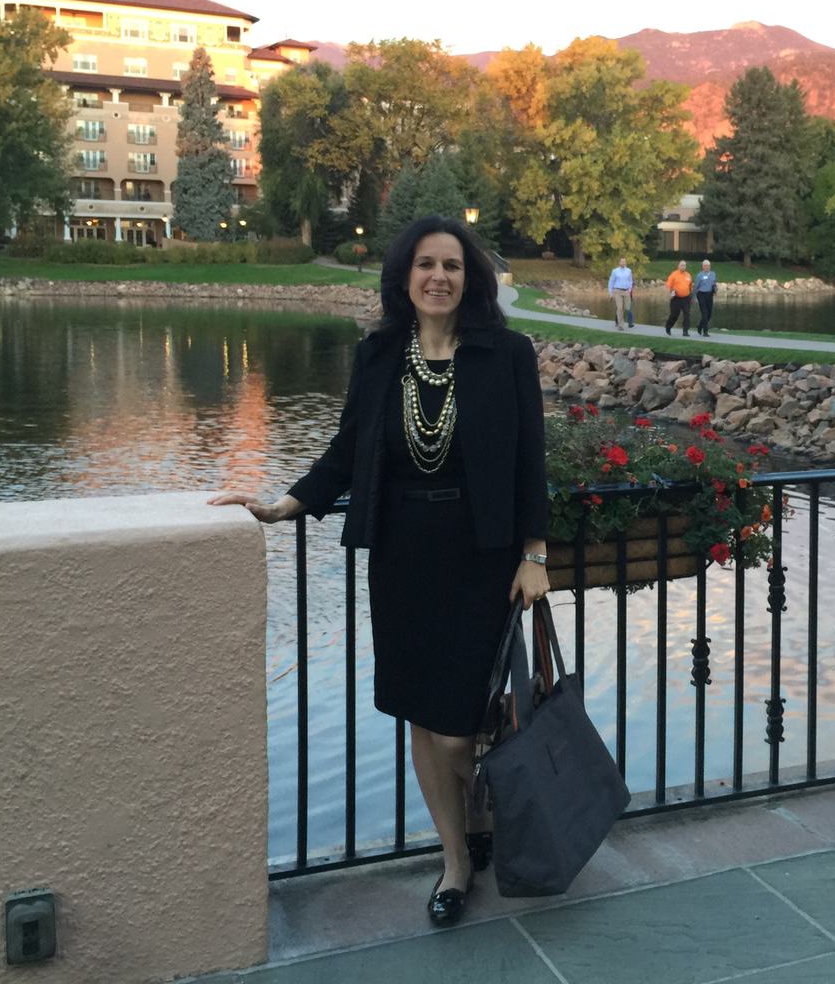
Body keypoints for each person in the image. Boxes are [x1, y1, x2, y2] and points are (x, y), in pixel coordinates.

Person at [209, 215, 549, 928]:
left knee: (459, 728)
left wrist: (534, 554)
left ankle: (481, 815)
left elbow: (529, 463)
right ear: (404, 276)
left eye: (452, 265)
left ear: (470, 278)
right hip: (402, 555)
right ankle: (456, 859)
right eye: (425, 264)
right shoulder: (378, 356)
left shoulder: (506, 353)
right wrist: (284, 505)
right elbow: (345, 450)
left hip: (480, 557)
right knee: (421, 718)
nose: (438, 277)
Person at [665, 259, 693, 336]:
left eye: (684, 265)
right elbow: (668, 286)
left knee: (687, 314)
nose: (683, 267)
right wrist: (670, 294)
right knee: (675, 314)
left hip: (686, 298)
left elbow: (690, 286)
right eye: (682, 265)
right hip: (676, 298)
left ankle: (685, 331)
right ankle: (668, 326)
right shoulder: (674, 274)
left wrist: (691, 295)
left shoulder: (688, 275)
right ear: (678, 266)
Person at [607, 256, 634, 330]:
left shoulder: (629, 270)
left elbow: (630, 281)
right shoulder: (615, 271)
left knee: (627, 308)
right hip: (617, 291)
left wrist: (629, 289)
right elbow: (611, 282)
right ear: (619, 262)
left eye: (624, 261)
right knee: (619, 308)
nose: (623, 263)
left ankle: (624, 321)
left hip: (626, 291)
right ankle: (620, 325)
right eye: (622, 261)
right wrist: (610, 293)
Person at [693, 259, 717, 337]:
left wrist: (715, 290)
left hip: (709, 295)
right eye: (705, 266)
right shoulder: (699, 275)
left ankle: (700, 326)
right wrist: (693, 297)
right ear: (702, 267)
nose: (707, 267)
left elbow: (714, 284)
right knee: (704, 313)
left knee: (709, 314)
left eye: (708, 266)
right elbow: (696, 287)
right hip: (701, 294)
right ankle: (705, 332)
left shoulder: (713, 274)